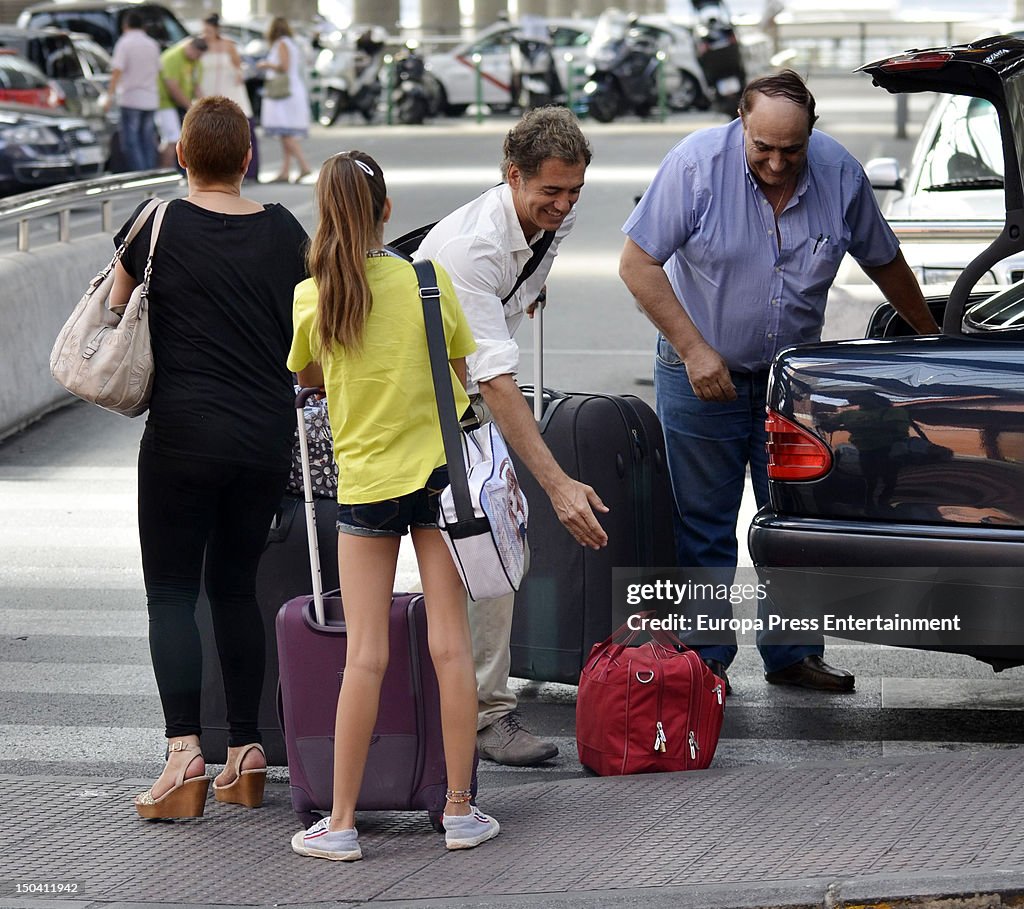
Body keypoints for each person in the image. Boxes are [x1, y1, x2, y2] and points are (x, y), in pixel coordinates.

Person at [618, 70, 940, 693]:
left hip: (790, 386)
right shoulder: (695, 165)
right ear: (741, 123)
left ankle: (793, 654)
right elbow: (637, 263)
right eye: (762, 147)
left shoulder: (839, 173)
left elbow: (884, 260)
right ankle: (706, 660)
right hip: (699, 372)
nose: (774, 162)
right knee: (703, 521)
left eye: (790, 150)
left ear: (811, 135)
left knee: (793, 516)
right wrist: (695, 351)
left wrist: (930, 337)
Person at [287, 151, 499, 860]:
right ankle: (461, 811)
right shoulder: (427, 281)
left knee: (365, 655)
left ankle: (342, 822)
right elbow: (463, 376)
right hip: (440, 479)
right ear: (385, 211)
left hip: (366, 486)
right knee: (450, 644)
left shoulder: (312, 295)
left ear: (323, 211)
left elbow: (309, 376)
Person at [110, 97, 309, 819]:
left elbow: (112, 307)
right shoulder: (286, 230)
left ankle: (183, 754)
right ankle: (247, 753)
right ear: (249, 158)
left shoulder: (154, 222)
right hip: (262, 440)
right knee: (235, 589)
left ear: (181, 157)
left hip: (181, 439)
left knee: (171, 594)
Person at [417, 107, 609, 767]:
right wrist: (557, 484)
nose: (563, 205)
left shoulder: (556, 214)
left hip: (463, 396)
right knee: (478, 548)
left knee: (496, 544)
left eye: (574, 192)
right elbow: (494, 380)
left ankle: (481, 707)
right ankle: (471, 714)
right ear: (512, 176)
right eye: (549, 192)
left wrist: (521, 296)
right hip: (422, 407)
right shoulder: (472, 248)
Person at [200, 13, 258, 183]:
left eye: (209, 30)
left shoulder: (228, 45)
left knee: (242, 128)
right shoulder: (200, 46)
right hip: (207, 89)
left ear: (216, 29)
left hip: (230, 88)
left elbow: (239, 67)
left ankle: (250, 171)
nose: (206, 34)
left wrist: (239, 75)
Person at [258, 17, 312, 184]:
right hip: (291, 90)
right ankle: (285, 170)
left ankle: (304, 166)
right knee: (284, 132)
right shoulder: (291, 43)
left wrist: (266, 64)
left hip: (284, 93)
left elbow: (284, 66)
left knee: (286, 132)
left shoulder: (281, 43)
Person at [106, 10, 160, 172]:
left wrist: (109, 95)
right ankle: (151, 172)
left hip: (131, 98)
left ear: (125, 25)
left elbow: (117, 71)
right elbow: (158, 70)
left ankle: (140, 174)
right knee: (148, 139)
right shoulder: (152, 44)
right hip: (150, 98)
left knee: (131, 141)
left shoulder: (124, 43)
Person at [155, 36, 207, 168]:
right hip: (165, 103)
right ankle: (165, 172)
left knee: (185, 140)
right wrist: (190, 106)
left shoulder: (196, 61)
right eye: (196, 54)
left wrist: (205, 106)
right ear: (190, 47)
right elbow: (172, 86)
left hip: (182, 104)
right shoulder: (172, 57)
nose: (197, 58)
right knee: (172, 138)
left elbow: (196, 86)